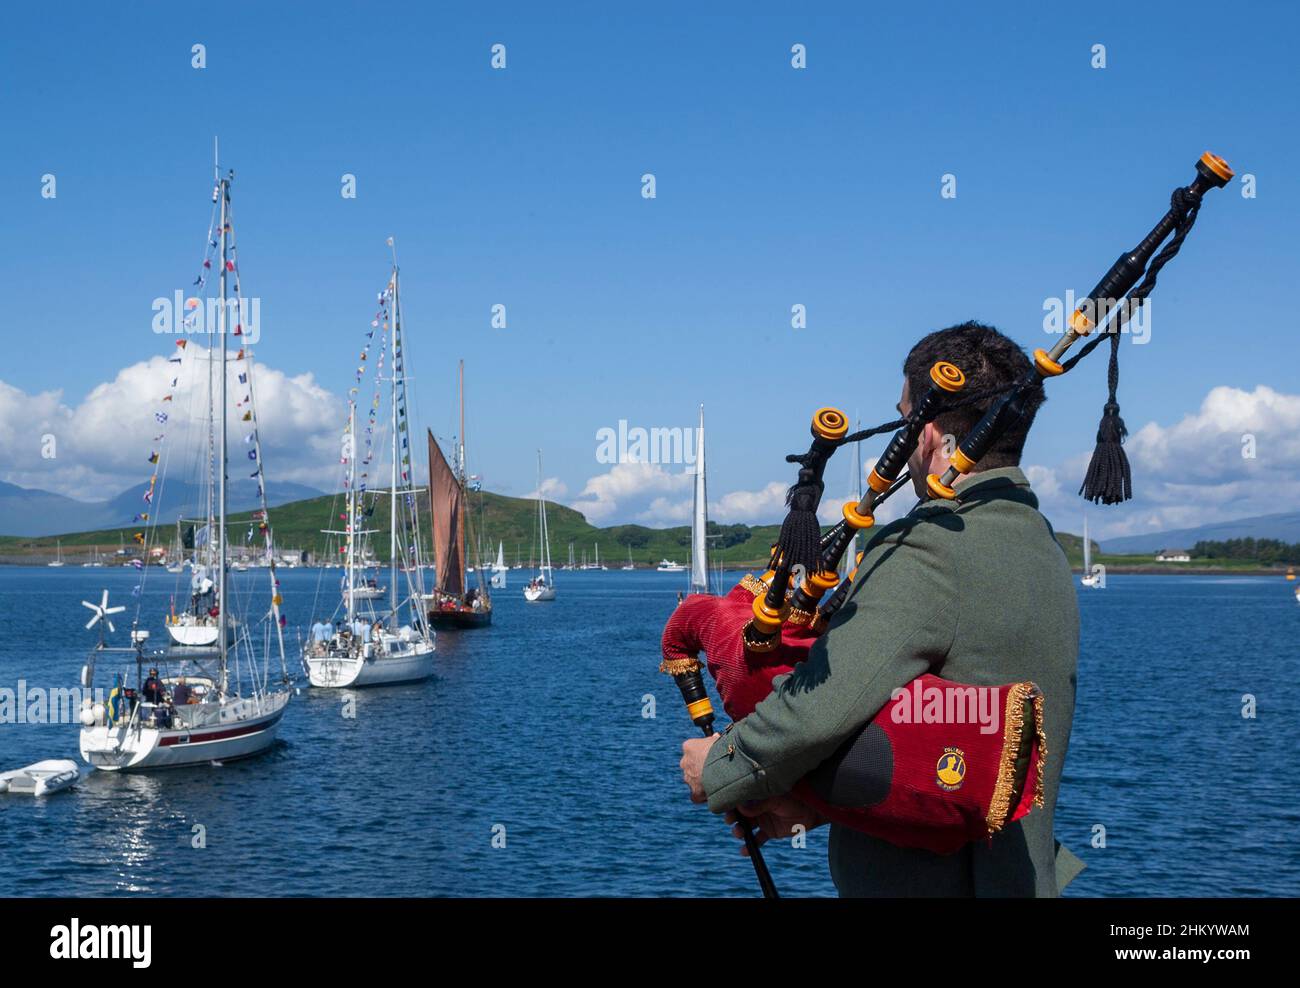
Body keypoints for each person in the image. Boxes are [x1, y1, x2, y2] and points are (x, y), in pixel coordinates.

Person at [679, 322, 1082, 897]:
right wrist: (818, 804)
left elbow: (819, 707)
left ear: (931, 433)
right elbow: (948, 746)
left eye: (905, 415)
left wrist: (719, 766)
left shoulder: (930, 547)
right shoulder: (1038, 544)